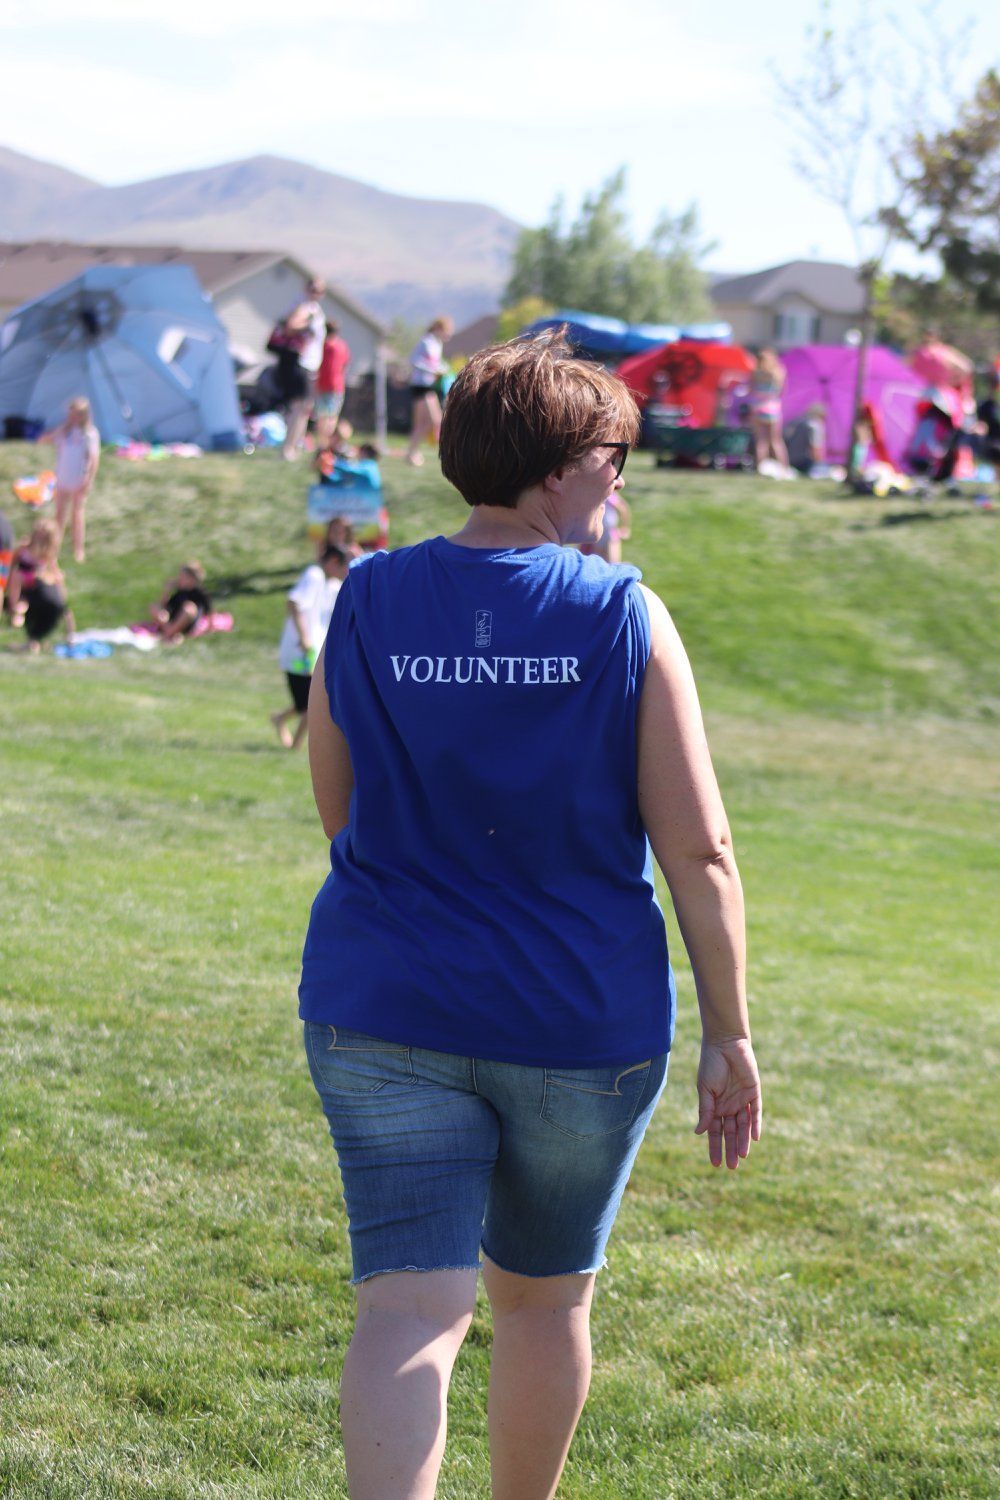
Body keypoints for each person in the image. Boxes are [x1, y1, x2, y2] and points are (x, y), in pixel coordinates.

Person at [299, 331, 762, 1499]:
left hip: (382, 1000)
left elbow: (337, 810)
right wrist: (730, 1031)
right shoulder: (624, 614)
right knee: (544, 1299)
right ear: (558, 466)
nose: (622, 476)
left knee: (406, 1305)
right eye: (616, 454)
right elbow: (699, 848)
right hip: (576, 1020)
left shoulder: (367, 596)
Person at [271, 544, 349, 748]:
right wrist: (304, 638)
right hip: (300, 652)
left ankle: (281, 721)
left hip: (314, 652)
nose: (345, 572)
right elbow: (294, 604)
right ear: (333, 562)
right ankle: (293, 745)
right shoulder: (314, 575)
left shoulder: (329, 584)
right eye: (344, 567)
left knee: (309, 702)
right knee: (311, 704)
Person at [37, 397, 100, 562]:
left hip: (79, 479)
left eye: (75, 415)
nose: (71, 418)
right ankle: (53, 549)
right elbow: (44, 440)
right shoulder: (64, 432)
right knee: (59, 515)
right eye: (70, 415)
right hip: (63, 478)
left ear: (83, 416)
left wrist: (89, 480)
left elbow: (94, 459)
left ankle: (78, 549)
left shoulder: (90, 434)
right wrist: (53, 434)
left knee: (77, 514)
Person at [5, 518, 74, 652]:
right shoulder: (24, 547)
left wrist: (60, 587)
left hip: (34, 580)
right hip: (22, 575)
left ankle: (70, 636)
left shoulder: (47, 554)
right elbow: (13, 561)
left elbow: (54, 570)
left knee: (64, 610)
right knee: (16, 576)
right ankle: (16, 611)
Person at [280, 278, 327, 461]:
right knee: (299, 407)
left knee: (305, 408)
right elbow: (290, 327)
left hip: (310, 364)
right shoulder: (304, 306)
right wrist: (307, 324)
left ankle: (294, 446)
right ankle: (288, 448)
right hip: (301, 362)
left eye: (320, 290)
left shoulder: (314, 308)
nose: (316, 293)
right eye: (314, 289)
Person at [405, 315, 454, 465]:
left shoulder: (437, 344)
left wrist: (442, 368)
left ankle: (412, 452)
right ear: (439, 329)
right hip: (420, 386)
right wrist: (431, 370)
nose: (448, 336)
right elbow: (413, 361)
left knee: (424, 423)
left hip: (429, 385)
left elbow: (436, 363)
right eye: (446, 331)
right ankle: (412, 453)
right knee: (434, 420)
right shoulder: (425, 341)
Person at [148, 562, 212, 642]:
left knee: (188, 608)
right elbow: (163, 606)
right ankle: (169, 631)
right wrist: (166, 591)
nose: (179, 578)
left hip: (186, 624)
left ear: (191, 579)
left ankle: (168, 633)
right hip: (171, 621)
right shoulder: (180, 591)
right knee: (154, 606)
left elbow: (208, 613)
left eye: (182, 577)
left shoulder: (200, 593)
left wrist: (209, 627)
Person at [750, 348, 790, 470]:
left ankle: (760, 467)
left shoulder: (756, 373)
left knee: (761, 441)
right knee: (776, 441)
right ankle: (784, 468)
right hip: (773, 407)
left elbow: (751, 390)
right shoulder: (778, 372)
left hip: (758, 407)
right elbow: (782, 391)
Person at [314, 322, 351, 447]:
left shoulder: (324, 345)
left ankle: (322, 442)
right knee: (331, 416)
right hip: (337, 385)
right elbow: (345, 366)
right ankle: (327, 442)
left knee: (322, 416)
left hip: (322, 384)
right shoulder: (342, 346)